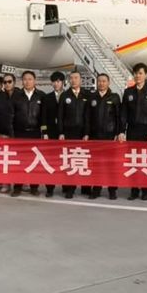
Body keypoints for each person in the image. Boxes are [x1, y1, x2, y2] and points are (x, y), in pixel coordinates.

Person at [121, 63, 147, 201]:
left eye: (140, 73)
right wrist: (121, 131)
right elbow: (124, 113)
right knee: (133, 160)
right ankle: (134, 189)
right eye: (136, 73)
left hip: (146, 131)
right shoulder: (128, 92)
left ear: (146, 75)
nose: (138, 76)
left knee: (145, 161)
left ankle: (146, 190)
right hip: (132, 130)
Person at [84, 73, 124, 199]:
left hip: (110, 136)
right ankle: (96, 189)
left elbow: (119, 117)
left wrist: (119, 133)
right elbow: (87, 117)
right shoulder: (92, 97)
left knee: (110, 164)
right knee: (96, 164)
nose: (101, 83)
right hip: (95, 136)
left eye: (104, 81)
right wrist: (86, 133)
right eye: (99, 81)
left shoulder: (114, 97)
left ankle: (112, 190)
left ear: (108, 82)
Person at [10, 70, 47, 196]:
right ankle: (17, 187)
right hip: (19, 133)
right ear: (22, 81)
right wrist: (12, 132)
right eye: (25, 79)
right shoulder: (16, 96)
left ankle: (34, 187)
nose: (27, 81)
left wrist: (44, 132)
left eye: (30, 79)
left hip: (35, 133)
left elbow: (44, 117)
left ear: (34, 80)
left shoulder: (41, 96)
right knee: (19, 161)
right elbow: (11, 115)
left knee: (35, 161)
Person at [58, 70, 90, 199]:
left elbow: (88, 116)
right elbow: (60, 116)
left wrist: (87, 133)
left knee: (84, 160)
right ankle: (69, 188)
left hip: (83, 133)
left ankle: (86, 187)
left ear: (81, 80)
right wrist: (61, 132)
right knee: (70, 161)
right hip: (69, 132)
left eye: (76, 78)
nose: (73, 80)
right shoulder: (65, 95)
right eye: (71, 78)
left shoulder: (87, 95)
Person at [39, 71, 67, 198]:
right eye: (54, 82)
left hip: (65, 134)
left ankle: (66, 187)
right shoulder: (47, 97)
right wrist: (44, 132)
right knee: (50, 161)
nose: (56, 84)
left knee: (65, 161)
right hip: (51, 133)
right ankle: (50, 187)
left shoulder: (68, 96)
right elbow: (43, 116)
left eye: (58, 81)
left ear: (63, 82)